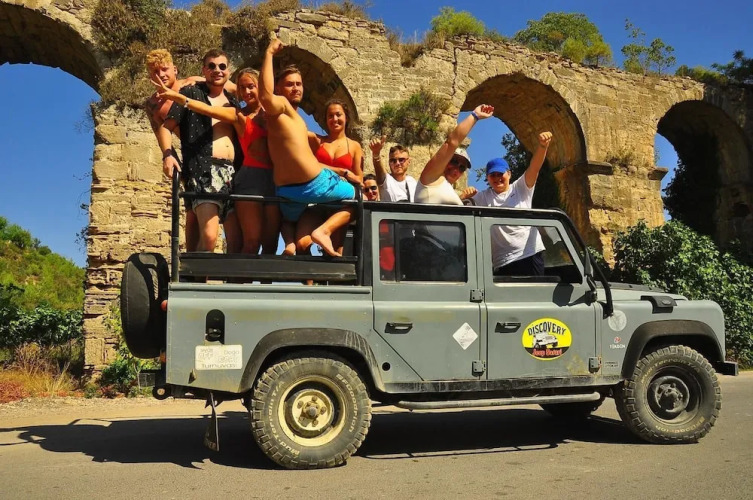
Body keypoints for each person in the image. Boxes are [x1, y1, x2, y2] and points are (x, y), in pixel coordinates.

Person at [153, 68, 281, 255]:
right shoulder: (238, 114)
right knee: (250, 242)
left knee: (270, 245)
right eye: (242, 88)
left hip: (275, 180)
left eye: (251, 86)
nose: (246, 92)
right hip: (249, 178)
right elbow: (207, 109)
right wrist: (181, 97)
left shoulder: (276, 112)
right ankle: (202, 269)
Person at [259, 39, 356, 257]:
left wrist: (339, 170)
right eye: (290, 84)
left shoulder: (294, 119)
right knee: (359, 198)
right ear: (278, 88)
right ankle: (324, 231)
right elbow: (265, 96)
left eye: (299, 84)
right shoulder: (280, 106)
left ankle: (290, 245)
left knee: (289, 221)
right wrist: (269, 53)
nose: (296, 88)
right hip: (314, 185)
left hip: (287, 191)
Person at [159, 49, 240, 252]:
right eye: (211, 66)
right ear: (204, 70)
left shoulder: (233, 101)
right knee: (210, 237)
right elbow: (166, 126)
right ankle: (198, 273)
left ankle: (209, 271)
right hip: (203, 169)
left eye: (222, 66)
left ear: (228, 71)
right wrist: (168, 154)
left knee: (236, 242)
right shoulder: (191, 93)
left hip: (233, 174)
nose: (217, 70)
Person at [471, 131, 553, 276]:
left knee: (534, 290)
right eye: (492, 175)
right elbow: (456, 206)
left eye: (500, 174)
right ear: (488, 178)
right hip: (502, 261)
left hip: (529, 254)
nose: (497, 178)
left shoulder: (520, 188)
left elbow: (534, 168)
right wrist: (463, 195)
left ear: (509, 174)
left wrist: (542, 146)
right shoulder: (482, 197)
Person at [144, 49, 202, 252]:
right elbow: (161, 133)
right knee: (192, 212)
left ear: (175, 69)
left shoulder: (193, 83)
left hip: (217, 150)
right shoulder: (153, 104)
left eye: (164, 69)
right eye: (155, 71)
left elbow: (227, 90)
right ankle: (191, 263)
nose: (161, 74)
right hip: (191, 156)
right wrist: (168, 156)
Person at [294, 99, 364, 256]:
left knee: (336, 250)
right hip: (316, 202)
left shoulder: (354, 146)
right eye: (330, 116)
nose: (334, 119)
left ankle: (324, 233)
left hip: (340, 204)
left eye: (338, 115)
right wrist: (340, 171)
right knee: (302, 245)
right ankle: (311, 274)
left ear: (346, 117)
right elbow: (297, 131)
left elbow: (359, 178)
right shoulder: (317, 141)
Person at [414, 104, 495, 205]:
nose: (456, 168)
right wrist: (475, 116)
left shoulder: (446, 189)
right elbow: (452, 143)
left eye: (462, 168)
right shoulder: (431, 177)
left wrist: (461, 198)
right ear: (446, 160)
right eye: (454, 161)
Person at [369, 137, 416, 202]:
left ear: (409, 161)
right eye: (393, 161)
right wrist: (376, 154)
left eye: (401, 160)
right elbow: (379, 170)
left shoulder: (412, 182)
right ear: (389, 163)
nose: (397, 163)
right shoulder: (386, 181)